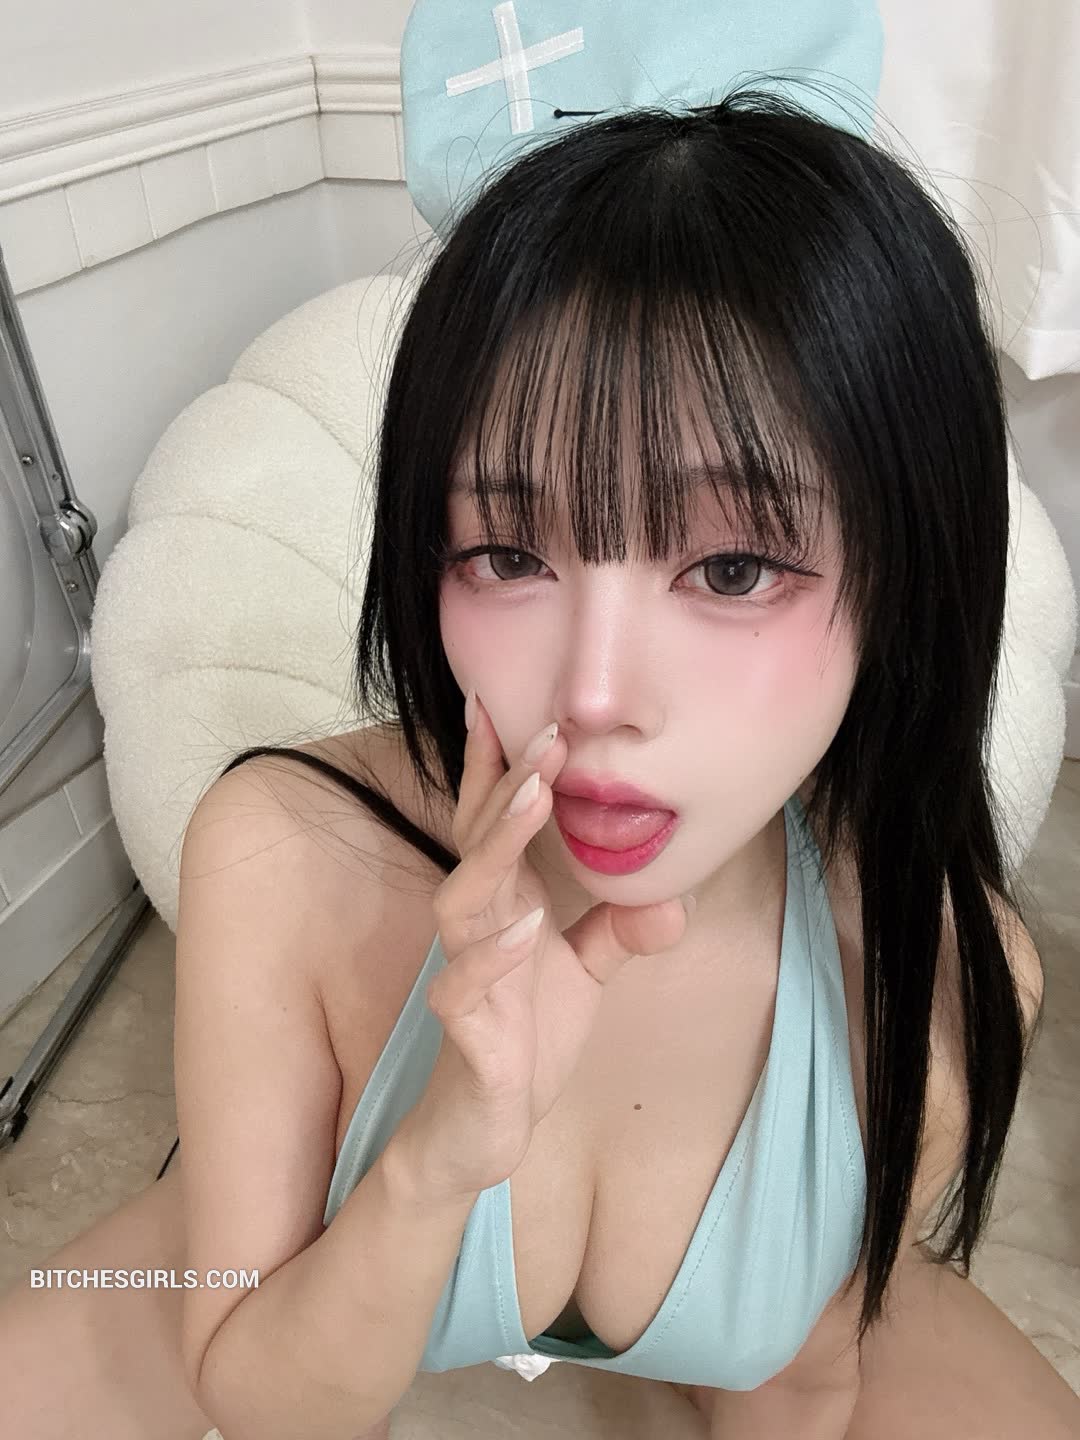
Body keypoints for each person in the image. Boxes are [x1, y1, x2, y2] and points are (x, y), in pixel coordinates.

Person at [1, 88, 1077, 1440]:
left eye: (732, 569)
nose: (594, 695)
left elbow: (802, 1381)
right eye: (506, 555)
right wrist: (436, 1154)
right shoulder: (280, 852)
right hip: (271, 1261)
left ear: (905, 585)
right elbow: (257, 1385)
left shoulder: (932, 979)